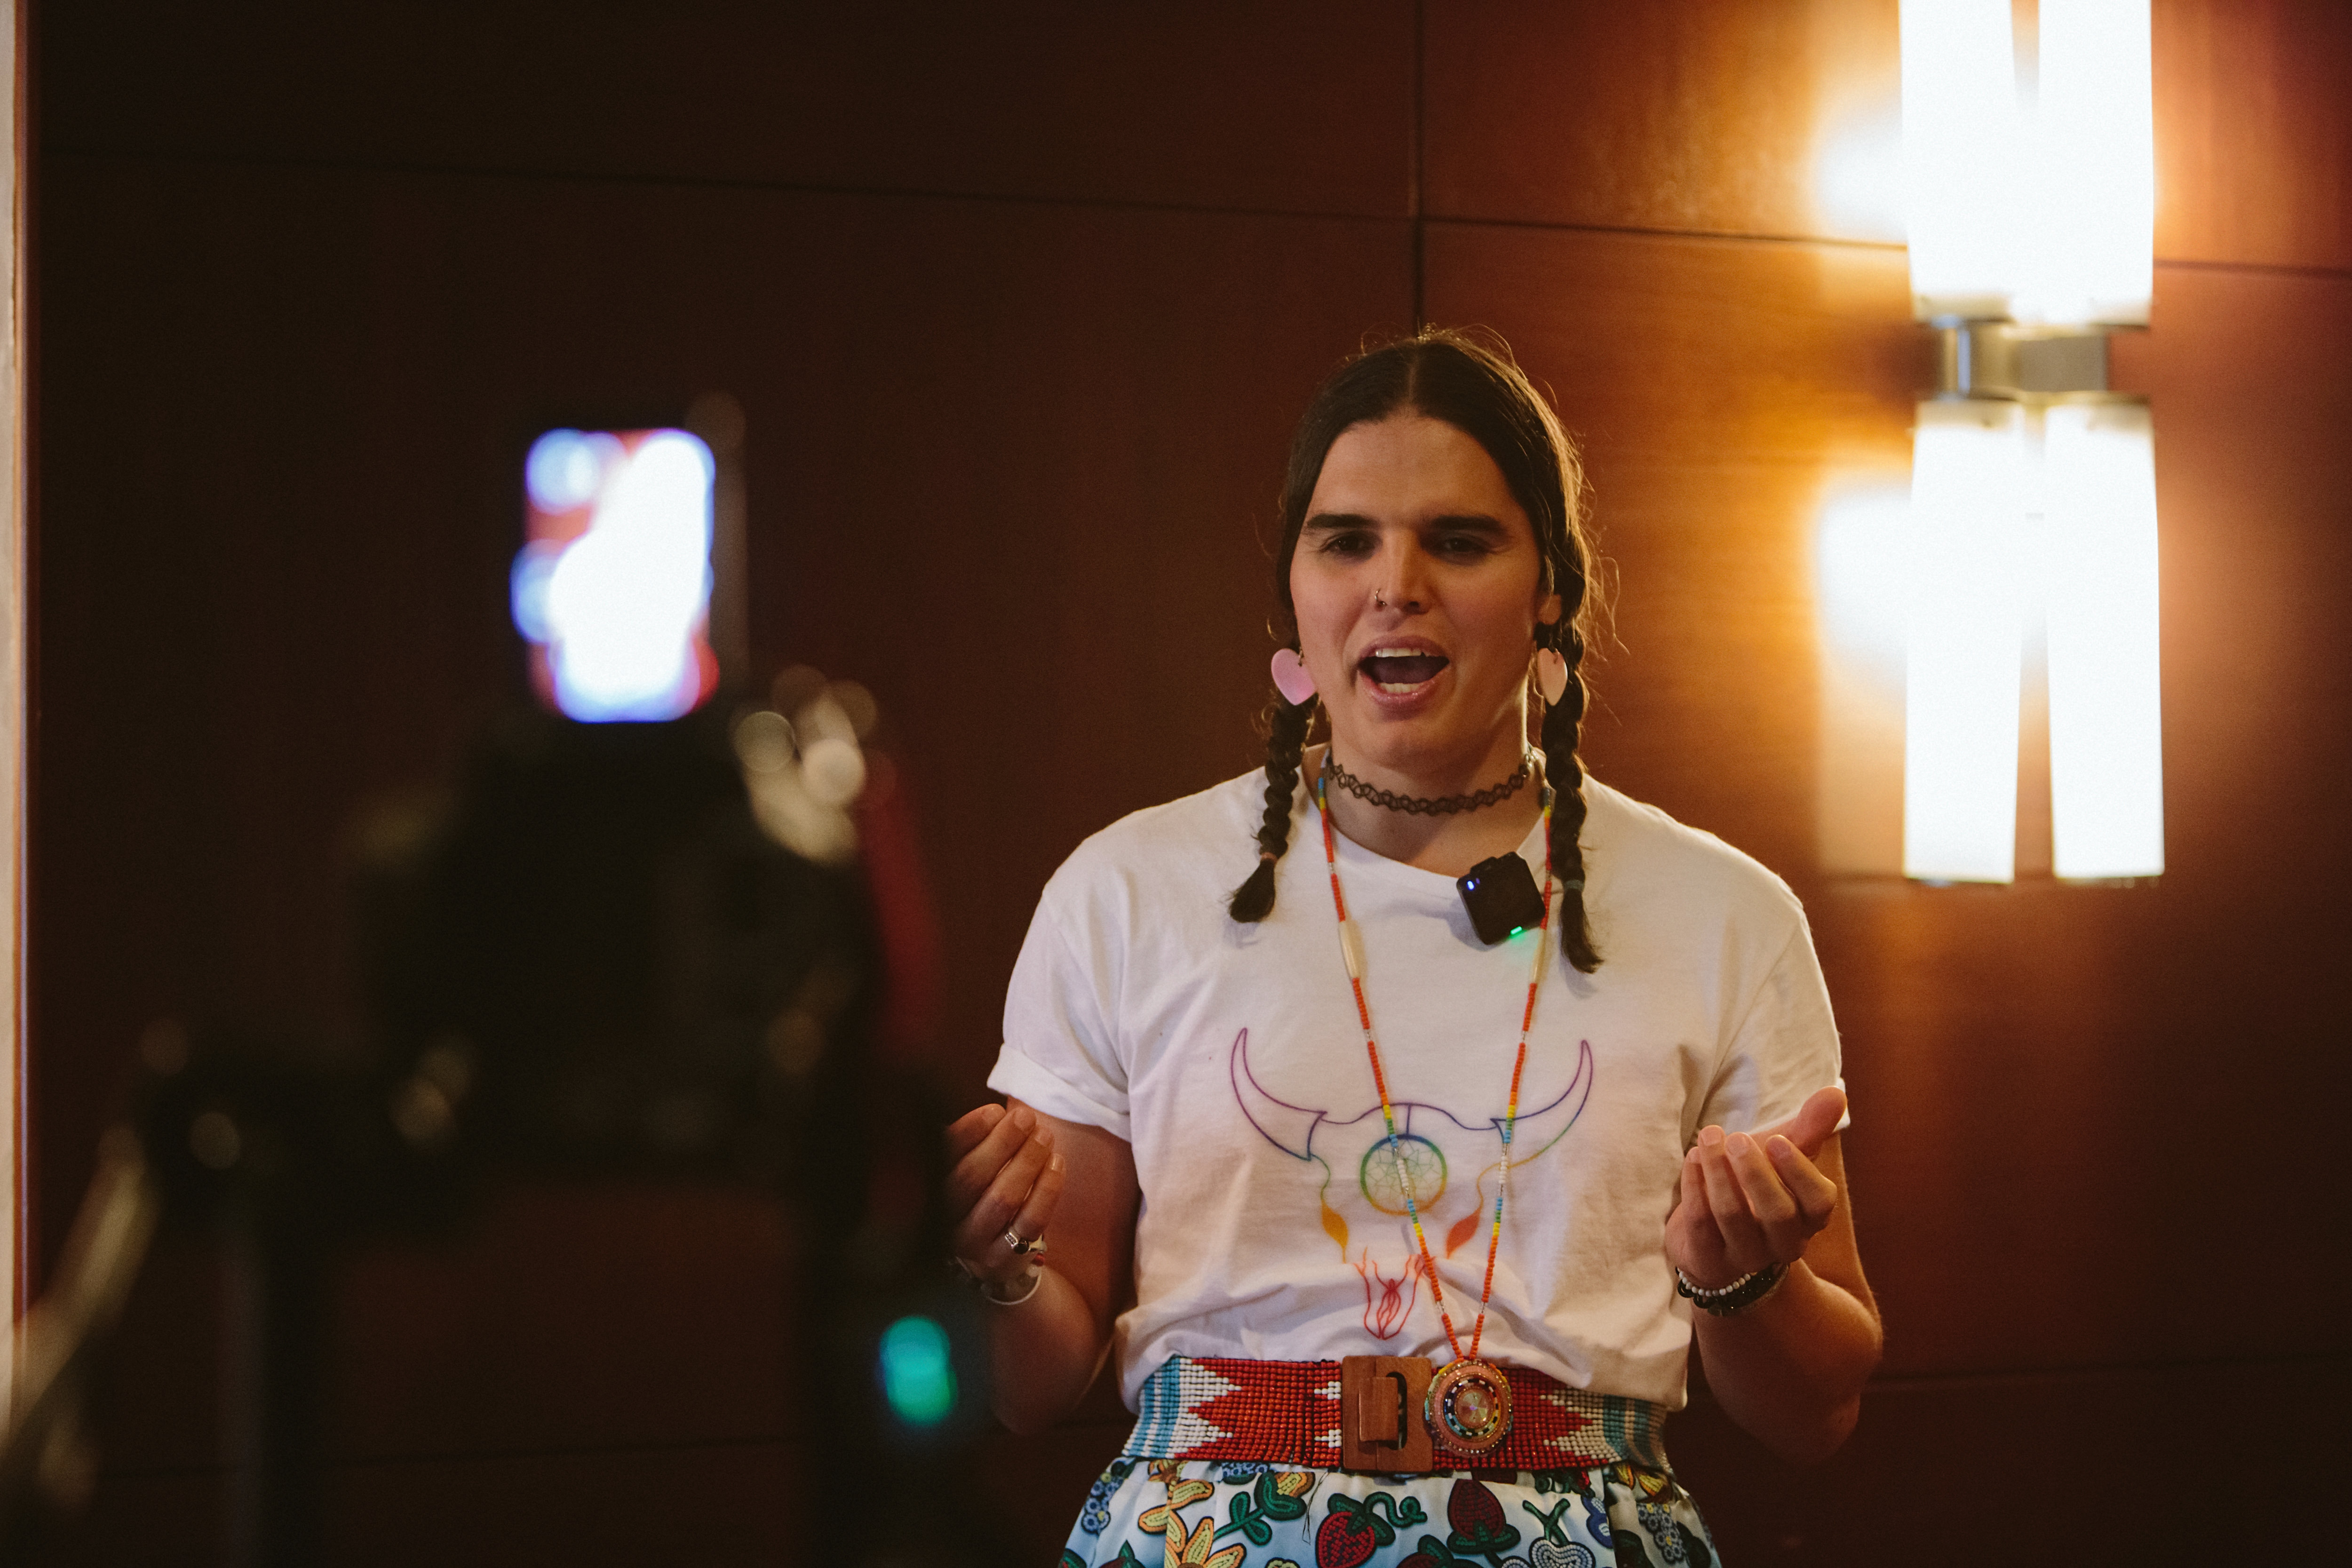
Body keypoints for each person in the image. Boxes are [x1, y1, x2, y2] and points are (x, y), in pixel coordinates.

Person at [947, 329, 1881, 1568]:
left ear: (1551, 587)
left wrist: (1742, 1279)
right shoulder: (1125, 890)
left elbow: (1818, 1413)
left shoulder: (1724, 912)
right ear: (1295, 587)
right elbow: (1034, 1387)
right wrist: (992, 1266)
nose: (1397, 584)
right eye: (1347, 541)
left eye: (1460, 541)